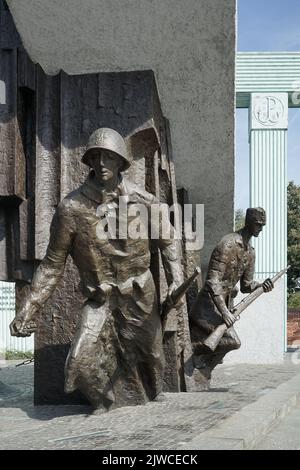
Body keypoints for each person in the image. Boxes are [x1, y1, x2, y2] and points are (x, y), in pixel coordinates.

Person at [10, 127, 182, 410]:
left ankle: (148, 406)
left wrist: (176, 278)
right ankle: (107, 405)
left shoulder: (145, 201)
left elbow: (168, 240)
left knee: (152, 357)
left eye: (109, 157)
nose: (102, 163)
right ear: (88, 162)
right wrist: (27, 309)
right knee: (79, 362)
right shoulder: (71, 209)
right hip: (100, 300)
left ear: (121, 162)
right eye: (96, 157)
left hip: (139, 296)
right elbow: (53, 265)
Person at [190, 207, 274, 381]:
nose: (261, 229)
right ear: (249, 222)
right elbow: (212, 281)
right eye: (258, 225)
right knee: (233, 342)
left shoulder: (250, 252)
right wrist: (225, 312)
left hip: (223, 308)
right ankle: (191, 349)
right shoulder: (227, 244)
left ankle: (203, 371)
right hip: (208, 308)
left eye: (262, 225)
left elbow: (246, 286)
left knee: (230, 342)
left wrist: (261, 285)